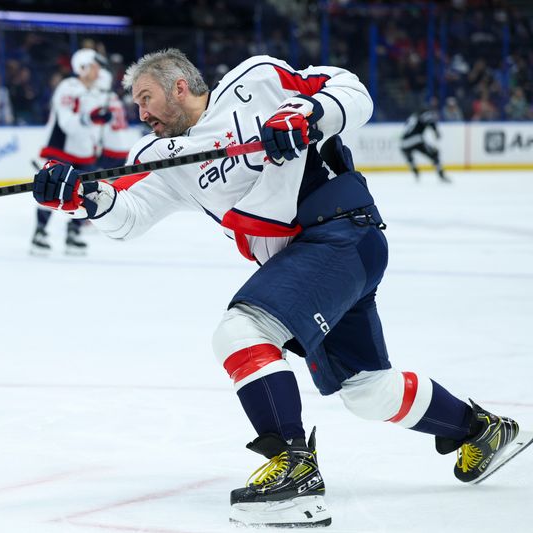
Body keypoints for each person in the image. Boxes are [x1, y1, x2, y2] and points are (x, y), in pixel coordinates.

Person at [31, 49, 530, 527]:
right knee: (366, 391)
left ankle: (294, 468)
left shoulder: (258, 80)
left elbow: (354, 92)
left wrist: (309, 114)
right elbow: (129, 218)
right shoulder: (164, 156)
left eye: (145, 98)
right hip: (313, 259)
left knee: (242, 330)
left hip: (340, 231)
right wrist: (84, 196)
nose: (140, 113)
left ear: (178, 86)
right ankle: (483, 432)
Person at [31, 48, 114, 256]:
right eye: (94, 66)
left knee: (86, 191)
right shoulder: (68, 88)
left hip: (84, 151)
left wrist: (97, 130)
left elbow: (92, 124)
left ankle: (73, 232)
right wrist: (91, 119)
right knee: (52, 187)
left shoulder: (94, 91)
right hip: (62, 148)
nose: (97, 71)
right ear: (83, 67)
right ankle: (40, 233)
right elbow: (66, 122)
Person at [401, 103, 451, 183]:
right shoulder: (426, 113)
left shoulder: (414, 115)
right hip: (416, 139)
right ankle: (441, 174)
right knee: (435, 153)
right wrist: (436, 131)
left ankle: (415, 170)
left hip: (403, 143)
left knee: (408, 152)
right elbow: (430, 120)